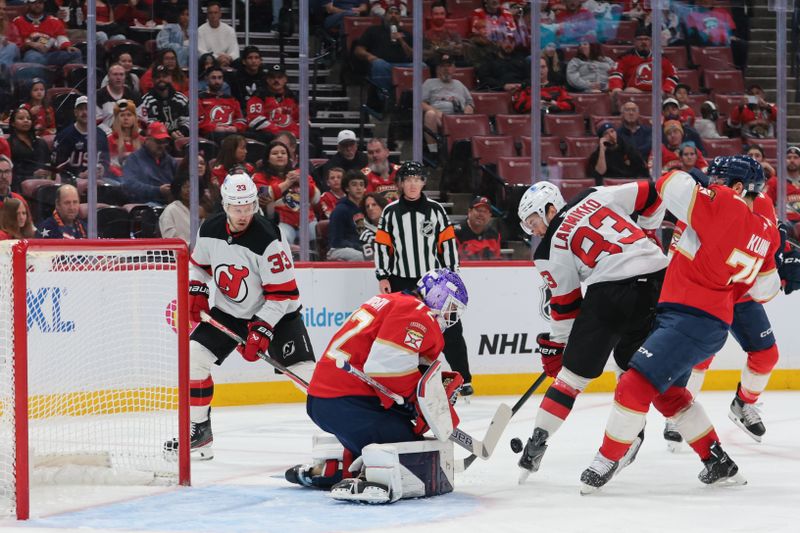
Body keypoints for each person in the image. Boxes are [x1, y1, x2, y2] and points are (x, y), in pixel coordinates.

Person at [579, 156, 780, 493]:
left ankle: (608, 458)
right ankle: (716, 459)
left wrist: (698, 179)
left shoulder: (726, 206)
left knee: (633, 385)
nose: (710, 185)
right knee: (669, 394)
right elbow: (765, 289)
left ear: (737, 188)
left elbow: (668, 181)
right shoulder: (766, 228)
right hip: (704, 318)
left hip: (690, 317)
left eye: (718, 180)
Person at [514, 179, 667, 480]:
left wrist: (558, 350)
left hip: (611, 290)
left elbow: (566, 305)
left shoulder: (548, 249)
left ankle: (538, 440)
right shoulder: (596, 194)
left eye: (533, 222)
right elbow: (652, 192)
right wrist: (648, 231)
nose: (534, 231)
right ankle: (629, 440)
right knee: (632, 371)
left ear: (549, 208)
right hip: (658, 279)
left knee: (571, 379)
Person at [169, 173, 316, 460]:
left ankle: (347, 425)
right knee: (194, 357)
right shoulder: (209, 228)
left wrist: (262, 329)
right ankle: (199, 433)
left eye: (249, 206)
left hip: (279, 315)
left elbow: (283, 294)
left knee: (306, 375)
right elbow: (199, 265)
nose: (243, 214)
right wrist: (197, 287)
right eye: (237, 208)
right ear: (225, 205)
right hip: (230, 313)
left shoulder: (268, 236)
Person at [290, 268, 468, 504]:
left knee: (399, 429)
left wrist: (422, 392)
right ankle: (365, 472)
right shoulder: (418, 313)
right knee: (409, 449)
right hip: (348, 401)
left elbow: (393, 365)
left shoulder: (390, 300)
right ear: (437, 296)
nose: (451, 316)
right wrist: (417, 401)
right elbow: (386, 368)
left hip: (327, 400)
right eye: (451, 308)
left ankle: (334, 468)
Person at [374, 161, 474, 395]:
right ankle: (411, 379)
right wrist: (383, 275)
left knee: (450, 327)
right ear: (400, 183)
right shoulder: (390, 212)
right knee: (407, 331)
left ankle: (464, 378)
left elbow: (447, 244)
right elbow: (382, 246)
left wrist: (452, 275)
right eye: (407, 180)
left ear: (423, 182)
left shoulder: (436, 210)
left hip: (434, 282)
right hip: (401, 281)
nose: (412, 184)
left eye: (416, 179)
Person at [253, 140, 320, 245]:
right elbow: (263, 196)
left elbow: (316, 198)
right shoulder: (259, 176)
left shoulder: (300, 174)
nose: (280, 156)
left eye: (283, 153)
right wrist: (287, 183)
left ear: (288, 157)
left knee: (319, 236)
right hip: (282, 223)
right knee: (281, 239)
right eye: (275, 153)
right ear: (267, 158)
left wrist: (303, 182)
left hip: (308, 221)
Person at [353, 6, 414, 96]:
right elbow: (358, 50)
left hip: (402, 65)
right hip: (382, 64)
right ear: (385, 16)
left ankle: (411, 97)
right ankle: (385, 96)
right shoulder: (373, 30)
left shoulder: (406, 34)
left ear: (400, 18)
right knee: (379, 65)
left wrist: (401, 40)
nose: (393, 15)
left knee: (422, 66)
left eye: (396, 13)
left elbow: (412, 56)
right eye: (390, 13)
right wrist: (369, 56)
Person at [422, 54, 474, 154]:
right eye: (443, 66)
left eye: (449, 66)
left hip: (459, 117)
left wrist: (468, 109)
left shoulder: (459, 84)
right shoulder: (429, 83)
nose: (446, 69)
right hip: (439, 117)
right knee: (430, 114)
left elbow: (470, 102)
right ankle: (433, 152)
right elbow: (420, 103)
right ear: (437, 69)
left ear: (454, 69)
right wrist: (435, 111)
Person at [608, 26, 678, 102]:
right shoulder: (625, 58)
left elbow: (672, 75)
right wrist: (617, 87)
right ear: (634, 41)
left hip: (657, 94)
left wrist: (667, 89)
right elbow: (616, 74)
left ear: (651, 41)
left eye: (646, 39)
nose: (643, 42)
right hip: (634, 94)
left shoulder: (661, 58)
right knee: (628, 90)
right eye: (640, 39)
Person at [52, 96, 110, 183]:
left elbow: (105, 161)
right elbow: (57, 167)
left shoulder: (101, 135)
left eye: (88, 109)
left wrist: (102, 170)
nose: (85, 112)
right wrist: (78, 175)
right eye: (81, 109)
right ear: (75, 112)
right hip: (71, 182)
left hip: (98, 181)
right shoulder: (64, 136)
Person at [121, 122, 178, 204]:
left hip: (170, 203)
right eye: (158, 141)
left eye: (165, 141)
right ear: (147, 140)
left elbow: (180, 182)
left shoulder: (171, 161)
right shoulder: (134, 159)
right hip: (145, 204)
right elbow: (129, 185)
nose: (162, 145)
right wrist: (157, 190)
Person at [12, 0, 82, 66]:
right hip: (31, 54)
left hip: (51, 53)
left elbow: (60, 36)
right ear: (27, 4)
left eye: (40, 2)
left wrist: (67, 46)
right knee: (34, 57)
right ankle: (39, 78)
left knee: (75, 53)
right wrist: (29, 44)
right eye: (34, 3)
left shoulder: (54, 20)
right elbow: (15, 44)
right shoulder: (18, 21)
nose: (37, 5)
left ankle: (72, 77)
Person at [159, 156, 210, 244]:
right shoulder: (171, 210)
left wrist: (204, 217)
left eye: (193, 187)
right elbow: (169, 239)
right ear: (178, 189)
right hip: (180, 253)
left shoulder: (201, 210)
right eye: (186, 187)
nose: (189, 190)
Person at [245, 63, 299, 139]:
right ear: (267, 79)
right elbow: (254, 120)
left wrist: (293, 134)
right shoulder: (258, 96)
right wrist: (278, 133)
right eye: (272, 77)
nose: (276, 80)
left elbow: (302, 120)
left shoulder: (293, 97)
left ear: (285, 79)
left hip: (292, 137)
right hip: (267, 136)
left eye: (280, 77)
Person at [137, 65, 190, 141]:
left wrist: (181, 132)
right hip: (156, 141)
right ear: (153, 80)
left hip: (180, 138)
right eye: (157, 77)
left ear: (170, 78)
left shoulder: (181, 99)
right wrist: (169, 133)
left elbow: (188, 120)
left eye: (164, 76)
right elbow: (145, 125)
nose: (161, 79)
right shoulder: (145, 101)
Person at [198, 65, 247, 144]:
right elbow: (198, 121)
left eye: (220, 78)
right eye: (213, 78)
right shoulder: (200, 98)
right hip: (210, 134)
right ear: (207, 79)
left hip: (231, 133)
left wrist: (235, 127)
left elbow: (240, 119)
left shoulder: (231, 99)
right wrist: (215, 128)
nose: (217, 81)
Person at [327, 169, 368, 261]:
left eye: (361, 185)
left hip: (361, 248)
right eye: (354, 184)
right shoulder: (340, 210)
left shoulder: (367, 208)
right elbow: (337, 241)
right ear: (347, 188)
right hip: (338, 249)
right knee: (364, 257)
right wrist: (360, 247)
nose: (358, 188)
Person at [8, 106, 51, 184]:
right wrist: (32, 174)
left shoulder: (40, 142)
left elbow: (48, 162)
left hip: (44, 180)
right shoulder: (9, 143)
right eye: (21, 118)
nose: (26, 121)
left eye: (28, 118)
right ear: (13, 123)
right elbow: (11, 169)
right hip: (20, 182)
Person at [455, 196, 502, 261]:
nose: (481, 214)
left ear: (489, 216)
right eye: (478, 210)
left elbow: (496, 264)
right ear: (469, 212)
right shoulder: (454, 233)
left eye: (485, 211)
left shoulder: (494, 235)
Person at [765, 146, 800, 232]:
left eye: (795, 157)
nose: (792, 160)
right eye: (788, 157)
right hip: (784, 221)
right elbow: (766, 203)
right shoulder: (774, 182)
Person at [97, 63, 139, 131]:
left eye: (121, 74)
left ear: (125, 77)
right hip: (106, 136)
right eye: (115, 74)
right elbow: (96, 122)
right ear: (108, 76)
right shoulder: (98, 96)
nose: (118, 78)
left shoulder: (134, 96)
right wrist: (111, 135)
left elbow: (141, 121)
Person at [107, 98, 143, 178]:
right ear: (116, 119)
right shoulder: (110, 140)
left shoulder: (142, 141)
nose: (125, 118)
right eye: (122, 115)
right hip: (118, 180)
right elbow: (108, 164)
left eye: (129, 115)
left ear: (134, 118)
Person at [197, 1, 239, 67]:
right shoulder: (200, 30)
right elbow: (201, 51)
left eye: (216, 13)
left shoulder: (230, 30)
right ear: (207, 15)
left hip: (227, 61)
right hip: (210, 62)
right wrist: (217, 58)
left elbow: (235, 50)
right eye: (210, 13)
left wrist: (228, 58)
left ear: (220, 14)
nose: (213, 15)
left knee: (238, 62)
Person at [231, 45, 267, 110]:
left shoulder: (266, 78)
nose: (253, 61)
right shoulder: (235, 78)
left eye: (256, 58)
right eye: (250, 58)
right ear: (244, 61)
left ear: (260, 61)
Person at [358, 192, 388, 261]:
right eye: (367, 206)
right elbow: (371, 261)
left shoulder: (397, 227)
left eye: (374, 205)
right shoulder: (366, 236)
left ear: (382, 207)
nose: (370, 208)